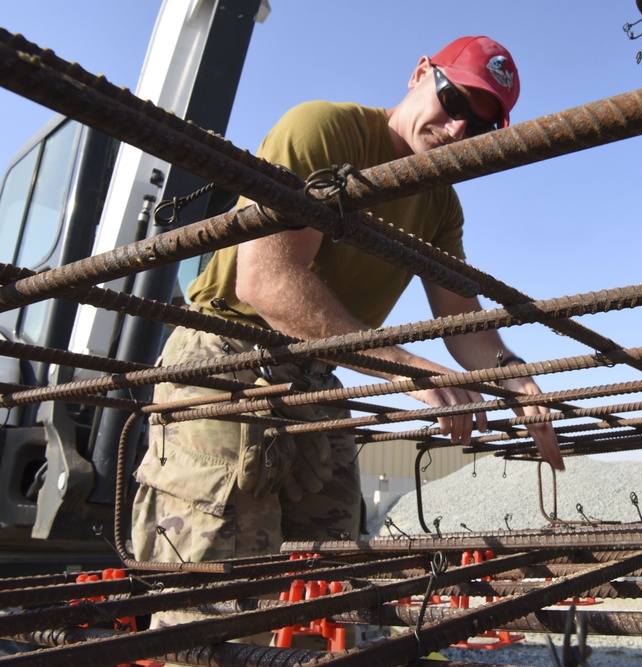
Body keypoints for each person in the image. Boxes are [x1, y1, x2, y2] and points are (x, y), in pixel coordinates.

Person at [131, 36, 561, 625]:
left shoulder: (439, 202)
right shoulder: (325, 130)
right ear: (420, 73)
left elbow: (465, 326)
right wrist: (410, 369)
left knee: (325, 598)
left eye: (480, 126)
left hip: (317, 376)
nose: (460, 131)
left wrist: (521, 385)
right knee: (212, 609)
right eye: (455, 101)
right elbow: (267, 281)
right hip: (228, 360)